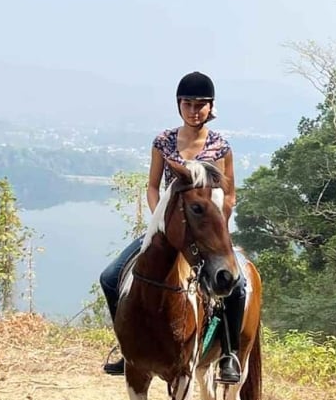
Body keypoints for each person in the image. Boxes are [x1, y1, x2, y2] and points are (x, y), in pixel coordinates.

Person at [99, 71, 246, 383]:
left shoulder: (221, 147)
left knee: (238, 286)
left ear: (211, 107)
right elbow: (153, 186)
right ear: (179, 105)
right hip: (167, 229)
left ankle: (229, 354)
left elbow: (230, 193)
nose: (194, 110)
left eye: (200, 104)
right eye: (188, 103)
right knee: (111, 277)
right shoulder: (163, 142)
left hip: (206, 233)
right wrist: (160, 220)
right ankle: (127, 347)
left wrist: (218, 225)